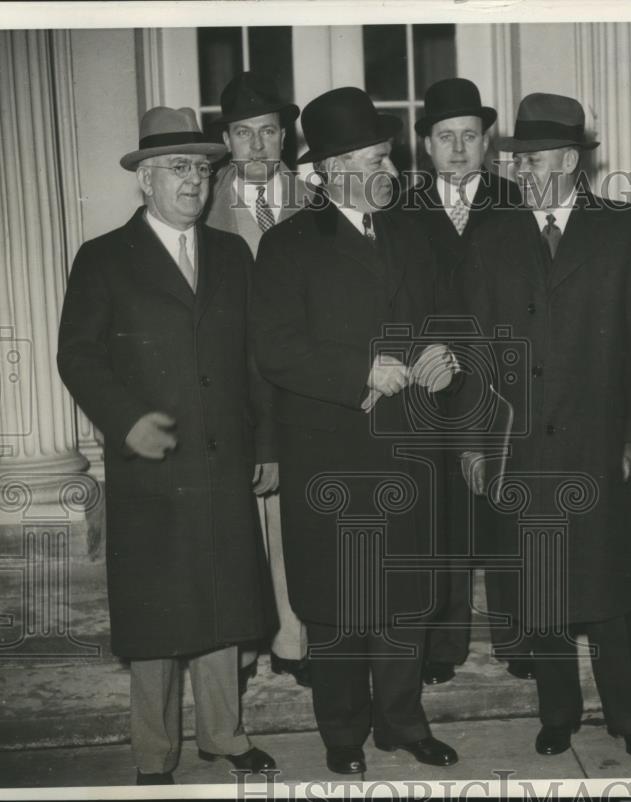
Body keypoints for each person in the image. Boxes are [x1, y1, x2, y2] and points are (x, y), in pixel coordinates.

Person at [57, 106, 278, 785]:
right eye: (179, 169)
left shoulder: (233, 254)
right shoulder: (103, 258)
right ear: (145, 180)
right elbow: (79, 357)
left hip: (224, 461)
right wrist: (126, 422)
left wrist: (266, 442)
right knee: (156, 622)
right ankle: (154, 754)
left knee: (223, 609)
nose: (195, 183)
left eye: (204, 171)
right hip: (151, 470)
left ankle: (225, 735)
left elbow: (256, 359)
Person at [458, 93, 631, 759]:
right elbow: (472, 347)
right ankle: (558, 711)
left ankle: (626, 714)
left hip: (600, 446)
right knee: (540, 585)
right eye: (518, 159)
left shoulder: (622, 230)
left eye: (538, 158)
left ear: (572, 160)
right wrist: (471, 438)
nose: (524, 170)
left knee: (606, 586)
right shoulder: (490, 234)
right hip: (520, 448)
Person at [251, 87, 459, 775]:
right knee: (338, 607)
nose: (389, 172)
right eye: (372, 159)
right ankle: (343, 736)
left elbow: (453, 316)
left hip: (411, 452)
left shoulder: (420, 231)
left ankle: (402, 724)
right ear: (330, 169)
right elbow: (274, 348)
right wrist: (361, 370)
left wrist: (444, 352)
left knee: (404, 600)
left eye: (388, 157)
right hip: (331, 455)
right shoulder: (286, 246)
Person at [403, 77, 531, 687]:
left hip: (503, 381)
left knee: (509, 508)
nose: (458, 150)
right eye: (445, 138)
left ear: (488, 142)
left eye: (470, 137)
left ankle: (519, 638)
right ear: (425, 145)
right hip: (430, 385)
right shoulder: (398, 206)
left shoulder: (517, 201)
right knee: (441, 518)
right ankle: (441, 644)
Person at [204, 70, 311, 693]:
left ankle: (294, 642)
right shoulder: (203, 204)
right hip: (232, 391)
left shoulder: (315, 198)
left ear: (283, 138)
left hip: (298, 389)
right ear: (227, 140)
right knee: (240, 524)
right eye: (243, 134)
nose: (256, 146)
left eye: (268, 133)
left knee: (296, 517)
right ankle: (241, 648)